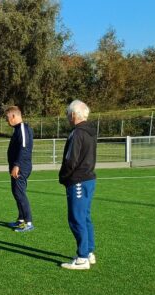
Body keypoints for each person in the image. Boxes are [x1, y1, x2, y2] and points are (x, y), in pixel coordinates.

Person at [59, 100, 98, 270]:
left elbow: (71, 160)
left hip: (79, 180)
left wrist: (63, 176)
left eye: (68, 113)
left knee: (76, 218)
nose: (67, 116)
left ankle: (82, 258)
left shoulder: (77, 133)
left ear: (74, 114)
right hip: (89, 178)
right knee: (85, 216)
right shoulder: (90, 132)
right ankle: (88, 252)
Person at [4, 106, 35, 232]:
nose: (7, 121)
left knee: (19, 193)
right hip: (17, 166)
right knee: (17, 192)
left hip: (21, 167)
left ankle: (28, 222)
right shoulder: (17, 129)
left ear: (13, 116)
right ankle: (21, 219)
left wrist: (17, 165)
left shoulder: (22, 128)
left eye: (7, 118)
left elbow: (24, 148)